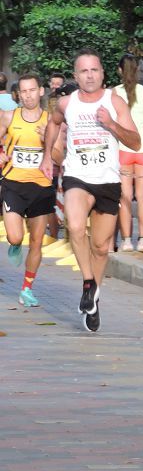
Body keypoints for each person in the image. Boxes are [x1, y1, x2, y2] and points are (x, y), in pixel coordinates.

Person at [41, 49, 141, 332]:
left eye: (94, 70)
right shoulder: (65, 103)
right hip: (77, 176)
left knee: (100, 247)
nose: (89, 75)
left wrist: (111, 124)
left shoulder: (115, 101)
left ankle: (93, 297)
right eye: (84, 71)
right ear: (76, 76)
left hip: (108, 181)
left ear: (102, 74)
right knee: (73, 226)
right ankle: (88, 283)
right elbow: (53, 123)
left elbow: (135, 141)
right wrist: (47, 156)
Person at [0, 74, 56, 307]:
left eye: (32, 90)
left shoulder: (50, 121)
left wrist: (49, 145)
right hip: (13, 183)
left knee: (36, 242)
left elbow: (61, 156)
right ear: (18, 94)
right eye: (23, 91)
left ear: (41, 91)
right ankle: (14, 244)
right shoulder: (8, 117)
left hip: (41, 187)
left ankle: (27, 289)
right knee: (15, 236)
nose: (28, 95)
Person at [114, 55, 143, 252]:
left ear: (119, 70)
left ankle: (126, 240)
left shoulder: (113, 93)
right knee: (142, 196)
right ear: (138, 71)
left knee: (125, 197)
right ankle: (142, 239)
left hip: (122, 150)